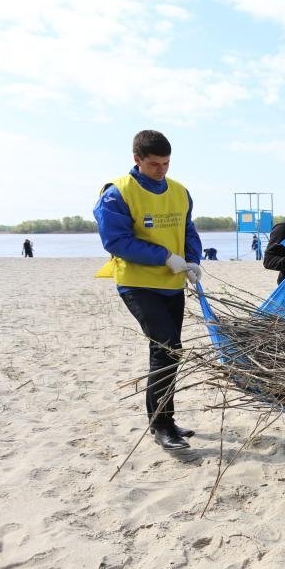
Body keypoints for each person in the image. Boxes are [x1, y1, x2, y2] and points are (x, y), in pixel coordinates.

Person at [93, 130, 202, 451]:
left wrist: (192, 260)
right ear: (137, 159)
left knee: (171, 351)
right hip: (137, 284)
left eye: (166, 163)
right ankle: (161, 426)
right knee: (166, 347)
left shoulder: (180, 192)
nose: (161, 170)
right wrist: (164, 256)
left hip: (172, 285)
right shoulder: (117, 194)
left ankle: (166, 419)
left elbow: (188, 229)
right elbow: (116, 241)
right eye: (154, 164)